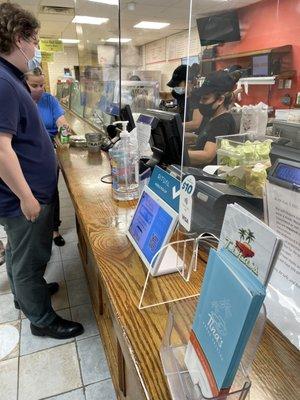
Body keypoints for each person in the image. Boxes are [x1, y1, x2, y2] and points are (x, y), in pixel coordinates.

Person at [0, 2, 83, 339]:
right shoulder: (4, 83)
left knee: (24, 258)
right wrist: (27, 197)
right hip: (24, 198)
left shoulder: (12, 78)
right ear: (19, 37)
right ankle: (42, 321)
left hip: (28, 192)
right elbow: (1, 149)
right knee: (28, 261)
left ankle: (26, 295)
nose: (35, 47)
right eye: (34, 40)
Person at [24, 67, 69, 247]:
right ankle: (31, 230)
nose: (39, 89)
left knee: (51, 192)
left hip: (48, 152)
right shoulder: (18, 101)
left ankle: (54, 229)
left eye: (42, 84)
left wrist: (64, 129)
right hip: (27, 156)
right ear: (24, 83)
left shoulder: (49, 100)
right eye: (34, 85)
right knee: (29, 195)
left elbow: (60, 120)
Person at [188, 70, 240, 167]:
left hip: (208, 177)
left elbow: (207, 156)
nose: (201, 102)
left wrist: (180, 154)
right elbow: (204, 138)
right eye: (201, 98)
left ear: (220, 99)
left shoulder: (223, 122)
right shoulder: (210, 117)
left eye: (205, 99)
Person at [167, 64, 206, 133]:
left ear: (188, 82)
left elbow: (196, 123)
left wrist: (173, 127)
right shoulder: (182, 95)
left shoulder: (196, 97)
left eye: (178, 84)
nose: (175, 87)